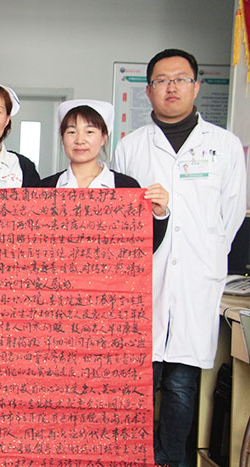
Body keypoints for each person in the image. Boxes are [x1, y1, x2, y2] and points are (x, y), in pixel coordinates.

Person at [112, 49, 247, 467]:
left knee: (181, 384)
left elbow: (230, 216)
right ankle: (134, 457)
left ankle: (172, 459)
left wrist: (205, 256)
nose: (171, 87)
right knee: (138, 379)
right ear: (148, 90)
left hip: (196, 279)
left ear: (196, 87)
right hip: (144, 279)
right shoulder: (130, 146)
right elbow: (119, 216)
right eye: (162, 80)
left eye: (181, 79)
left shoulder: (224, 146)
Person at [40, 99, 169, 252]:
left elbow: (141, 250)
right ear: (62, 138)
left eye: (89, 132)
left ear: (103, 138)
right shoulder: (43, 188)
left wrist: (158, 214)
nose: (80, 140)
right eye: (72, 132)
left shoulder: (127, 187)